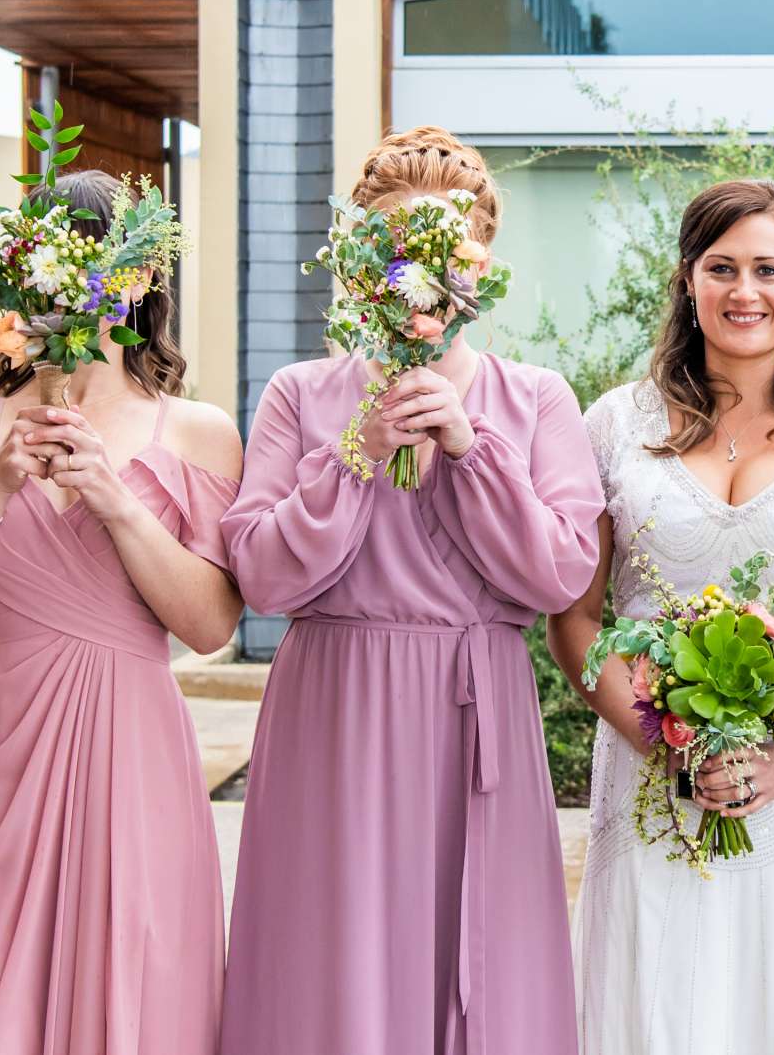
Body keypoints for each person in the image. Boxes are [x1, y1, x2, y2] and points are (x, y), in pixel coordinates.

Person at [220, 127, 600, 1055]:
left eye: (444, 246)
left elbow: (560, 573)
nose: (417, 269)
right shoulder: (300, 391)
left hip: (476, 706)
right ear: (358, 256)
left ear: (481, 258)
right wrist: (359, 450)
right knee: (329, 952)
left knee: (477, 951)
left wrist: (470, 450)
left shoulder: (537, 397)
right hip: (334, 707)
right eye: (392, 244)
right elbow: (260, 573)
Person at [0, 168, 241, 1055]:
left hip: (130, 754)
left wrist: (115, 500)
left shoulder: (198, 431)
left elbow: (209, 627)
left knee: (135, 993)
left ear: (135, 282)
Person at [554, 178, 774, 1055]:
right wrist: (662, 740)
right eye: (721, 268)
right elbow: (575, 619)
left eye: (767, 269)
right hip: (649, 770)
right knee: (658, 1001)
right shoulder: (610, 425)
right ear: (686, 280)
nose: (743, 292)